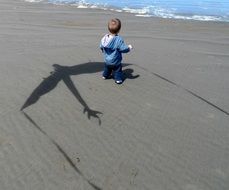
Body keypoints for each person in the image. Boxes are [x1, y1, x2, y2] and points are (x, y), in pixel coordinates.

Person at [100, 18, 132, 84]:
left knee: (107, 68)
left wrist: (102, 50)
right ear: (119, 30)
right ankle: (118, 79)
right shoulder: (118, 39)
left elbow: (101, 46)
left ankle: (105, 76)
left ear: (108, 28)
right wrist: (129, 48)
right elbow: (123, 49)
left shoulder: (104, 38)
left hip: (107, 60)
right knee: (118, 70)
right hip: (116, 62)